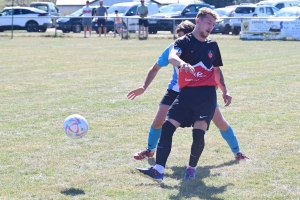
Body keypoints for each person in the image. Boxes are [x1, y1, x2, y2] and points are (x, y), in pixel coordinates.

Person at [135, 8, 235, 182]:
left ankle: (191, 168)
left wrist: (225, 91)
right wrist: (181, 64)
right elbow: (173, 56)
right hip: (186, 94)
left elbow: (217, 71)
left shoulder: (212, 45)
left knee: (198, 133)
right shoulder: (182, 42)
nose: (211, 26)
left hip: (206, 96)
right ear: (198, 20)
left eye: (213, 24)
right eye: (208, 22)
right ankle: (158, 170)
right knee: (166, 127)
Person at [128, 20, 250, 162]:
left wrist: (222, 89)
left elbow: (215, 70)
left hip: (200, 92)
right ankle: (150, 150)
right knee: (158, 121)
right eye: (179, 36)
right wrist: (143, 87)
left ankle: (237, 152)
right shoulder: (172, 48)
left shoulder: (204, 47)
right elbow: (155, 68)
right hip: (176, 91)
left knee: (220, 122)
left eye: (184, 36)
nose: (181, 40)